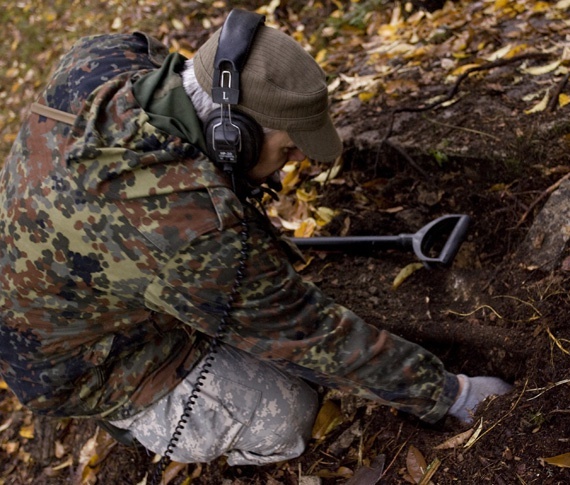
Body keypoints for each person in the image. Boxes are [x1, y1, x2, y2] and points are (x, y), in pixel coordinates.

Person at [0, 9, 512, 467]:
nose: (289, 168)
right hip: (76, 361)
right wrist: (451, 394)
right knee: (289, 414)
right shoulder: (191, 232)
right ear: (232, 137)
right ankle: (133, 420)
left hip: (70, 273)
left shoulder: (106, 57)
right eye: (287, 151)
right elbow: (309, 334)